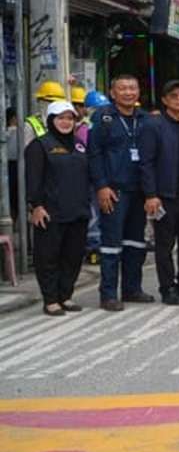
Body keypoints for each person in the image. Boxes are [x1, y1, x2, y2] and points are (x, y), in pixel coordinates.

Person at [88, 74, 154, 311]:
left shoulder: (145, 119)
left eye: (132, 88)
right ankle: (108, 294)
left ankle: (132, 289)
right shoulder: (104, 118)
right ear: (113, 93)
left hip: (139, 191)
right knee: (111, 244)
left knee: (136, 243)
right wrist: (101, 187)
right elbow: (94, 154)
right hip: (114, 191)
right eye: (123, 88)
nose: (128, 92)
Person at [139, 80, 179, 305]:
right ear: (165, 100)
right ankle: (167, 288)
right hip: (165, 194)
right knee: (165, 244)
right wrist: (150, 195)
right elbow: (146, 162)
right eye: (173, 95)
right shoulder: (154, 125)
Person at [26, 101, 89, 316]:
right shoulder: (40, 145)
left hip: (78, 211)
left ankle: (66, 296)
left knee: (73, 256)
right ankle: (51, 299)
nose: (65, 122)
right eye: (60, 118)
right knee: (48, 257)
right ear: (51, 120)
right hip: (50, 213)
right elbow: (33, 179)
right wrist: (36, 206)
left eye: (70, 118)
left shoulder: (80, 144)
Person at [82, 90, 110, 265]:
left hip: (105, 177)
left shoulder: (106, 124)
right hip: (91, 179)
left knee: (103, 213)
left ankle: (101, 245)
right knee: (94, 215)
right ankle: (94, 247)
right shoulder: (84, 128)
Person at [23, 80, 67, 146]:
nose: (55, 106)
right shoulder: (30, 125)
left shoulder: (63, 123)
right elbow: (27, 151)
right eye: (51, 102)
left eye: (58, 103)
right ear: (41, 102)